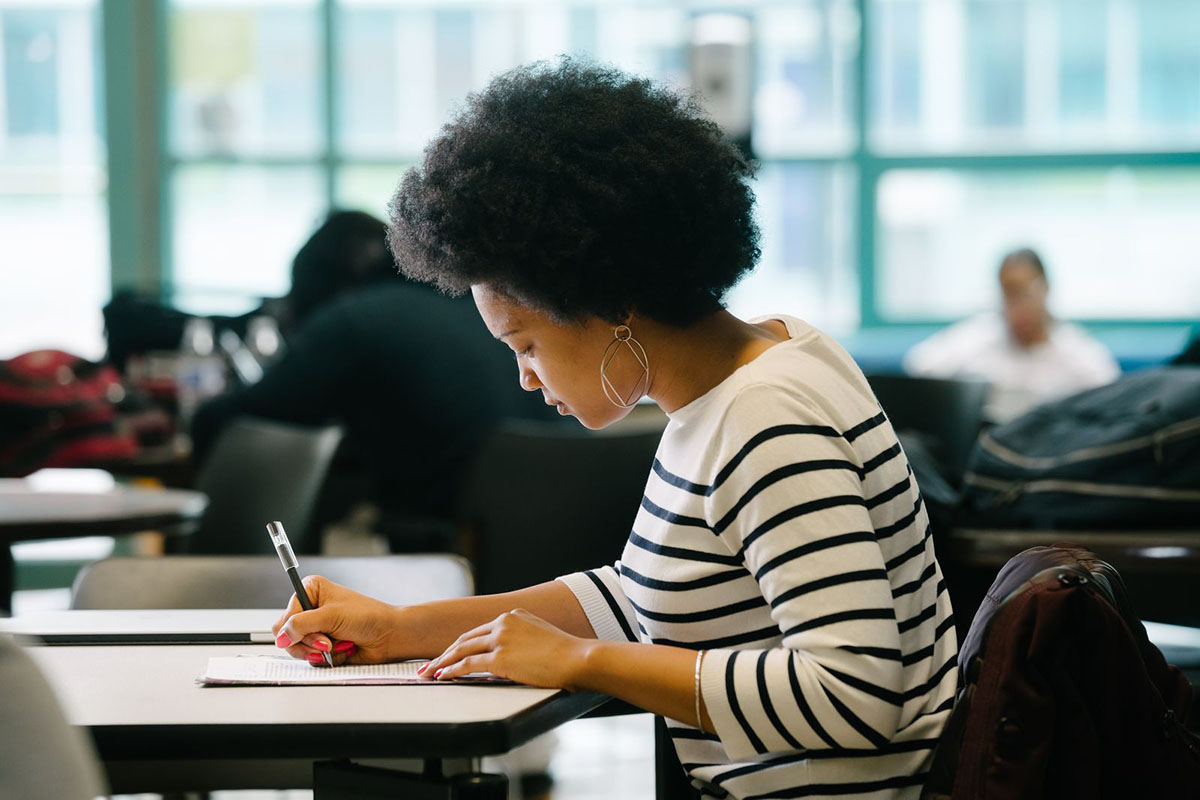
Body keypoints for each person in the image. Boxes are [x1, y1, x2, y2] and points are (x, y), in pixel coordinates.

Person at [272, 60, 956, 800]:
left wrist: (581, 663)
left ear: (606, 295)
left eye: (526, 345)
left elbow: (854, 694)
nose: (526, 379)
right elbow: (651, 596)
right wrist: (400, 629)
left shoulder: (765, 414)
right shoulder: (753, 370)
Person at [191, 214, 558, 549]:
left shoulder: (353, 319)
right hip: (558, 526)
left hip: (459, 542)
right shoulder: (475, 306)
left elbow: (241, 416)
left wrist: (190, 414)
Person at [903, 248, 1120, 423]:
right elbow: (918, 365)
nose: (1016, 305)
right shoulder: (978, 338)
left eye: (1024, 292)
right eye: (1008, 294)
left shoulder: (1079, 355)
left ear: (1045, 288)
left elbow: (1113, 404)